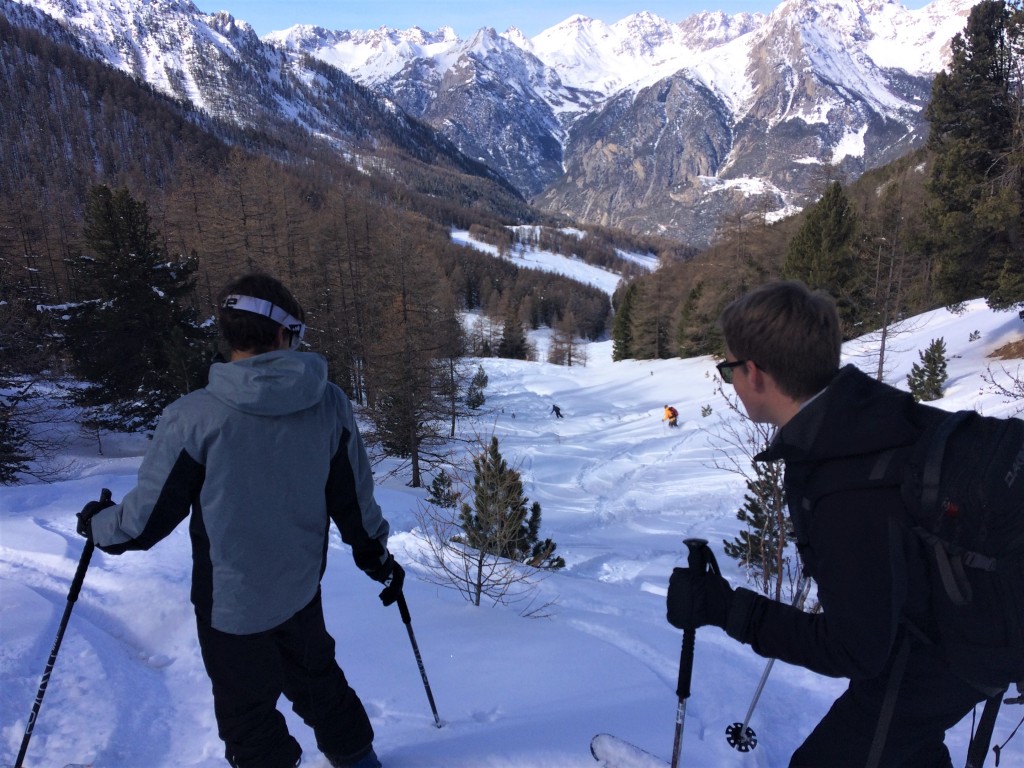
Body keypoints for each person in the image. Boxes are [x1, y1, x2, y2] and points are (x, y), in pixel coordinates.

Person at [77, 273, 401, 768]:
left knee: (249, 719)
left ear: (230, 335)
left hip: (230, 607)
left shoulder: (194, 418)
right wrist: (376, 555)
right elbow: (353, 502)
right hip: (298, 592)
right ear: (281, 334)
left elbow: (142, 524)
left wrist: (98, 524)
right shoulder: (328, 403)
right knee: (321, 688)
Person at [665, 280, 988, 767]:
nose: (729, 380)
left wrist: (729, 609)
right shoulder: (862, 416)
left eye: (728, 368)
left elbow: (855, 649)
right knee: (903, 747)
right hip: (954, 618)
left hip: (948, 647)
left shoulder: (849, 486)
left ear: (754, 373)